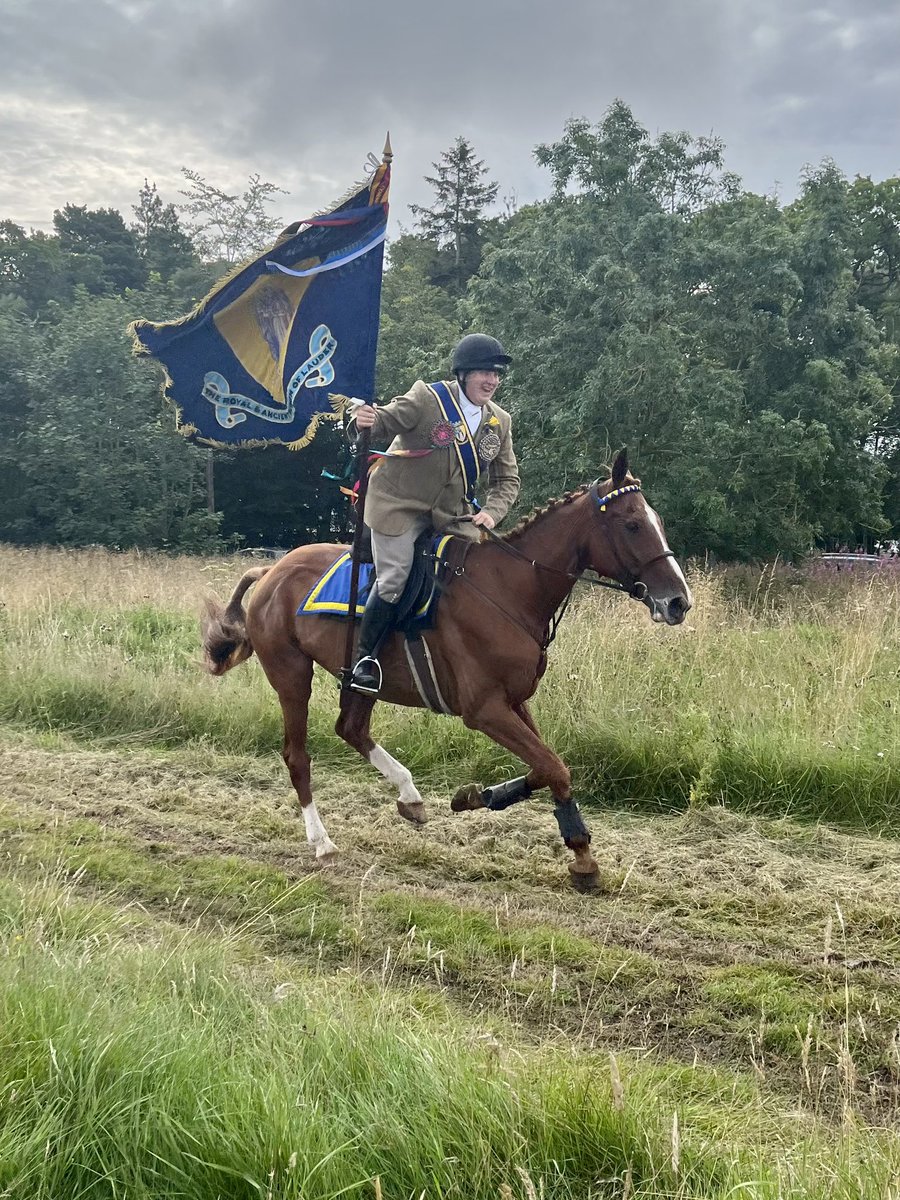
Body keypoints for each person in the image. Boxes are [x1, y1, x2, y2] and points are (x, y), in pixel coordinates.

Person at [346, 333, 520, 694]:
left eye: (496, 374)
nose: (492, 380)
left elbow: (507, 480)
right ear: (463, 374)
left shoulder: (499, 422)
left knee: (480, 574)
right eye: (483, 372)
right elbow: (380, 424)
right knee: (394, 579)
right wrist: (363, 418)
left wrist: (491, 512)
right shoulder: (427, 397)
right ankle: (366, 659)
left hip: (453, 516)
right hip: (399, 506)